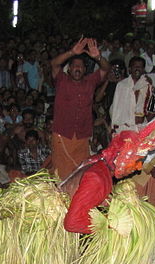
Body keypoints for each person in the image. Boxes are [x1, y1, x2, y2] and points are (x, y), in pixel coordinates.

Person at [49, 37, 110, 180]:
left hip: (82, 135)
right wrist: (71, 52)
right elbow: (54, 63)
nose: (78, 68)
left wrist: (98, 57)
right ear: (69, 69)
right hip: (62, 134)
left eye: (81, 66)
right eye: (75, 66)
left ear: (85, 70)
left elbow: (106, 68)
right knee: (60, 173)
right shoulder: (62, 80)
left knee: (80, 173)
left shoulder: (90, 82)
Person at [109, 56, 154, 133]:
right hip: (123, 126)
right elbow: (116, 107)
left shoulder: (147, 85)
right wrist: (113, 126)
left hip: (140, 127)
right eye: (135, 66)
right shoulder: (122, 85)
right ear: (129, 69)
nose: (137, 69)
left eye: (140, 67)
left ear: (143, 69)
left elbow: (149, 108)